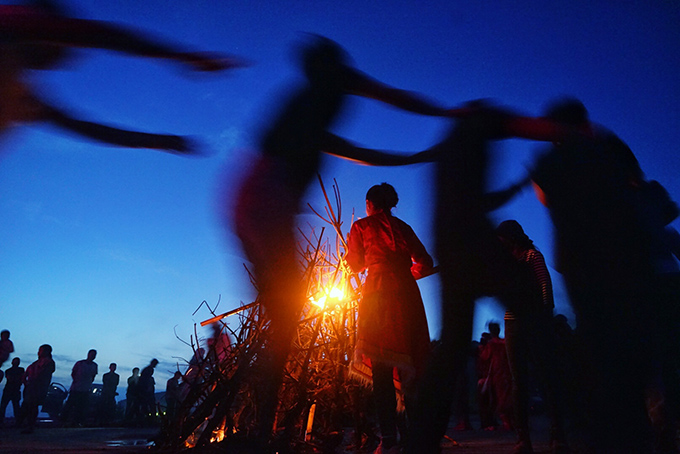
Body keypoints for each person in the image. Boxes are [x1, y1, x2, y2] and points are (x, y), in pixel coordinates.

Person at [227, 34, 454, 449]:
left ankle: (259, 431)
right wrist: (429, 138)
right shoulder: (313, 107)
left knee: (285, 319)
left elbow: (352, 260)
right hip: (269, 202)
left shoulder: (306, 111)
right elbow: (376, 117)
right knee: (287, 318)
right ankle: (258, 431)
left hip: (253, 196)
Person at [530, 98, 657, 453]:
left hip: (580, 260)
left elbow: (544, 197)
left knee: (597, 343)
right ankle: (637, 427)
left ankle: (607, 429)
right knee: (630, 340)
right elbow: (637, 182)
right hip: (626, 256)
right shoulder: (609, 146)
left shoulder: (551, 159)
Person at [0, 1, 245, 153]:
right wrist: (181, 56)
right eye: (63, 48)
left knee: (17, 100)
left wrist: (157, 142)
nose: (66, 59)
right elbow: (97, 35)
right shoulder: (11, 21)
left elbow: (82, 127)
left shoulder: (22, 93)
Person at [343, 182, 434, 453]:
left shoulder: (361, 226)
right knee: (410, 364)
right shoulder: (404, 228)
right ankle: (415, 437)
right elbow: (425, 261)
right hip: (407, 294)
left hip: (379, 294)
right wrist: (409, 274)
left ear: (370, 204)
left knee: (382, 366)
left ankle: (388, 439)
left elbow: (356, 263)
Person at [496, 220, 569, 454]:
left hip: (535, 320)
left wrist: (546, 313)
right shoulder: (506, 263)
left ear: (511, 237)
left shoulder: (531, 256)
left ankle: (557, 435)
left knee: (546, 377)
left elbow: (544, 284)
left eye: (503, 239)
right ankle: (523, 439)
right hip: (513, 322)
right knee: (519, 382)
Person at [19, 344, 55, 433]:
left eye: (41, 350)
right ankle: (24, 423)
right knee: (27, 406)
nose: (38, 352)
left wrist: (33, 381)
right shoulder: (35, 363)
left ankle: (30, 426)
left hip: (38, 388)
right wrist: (26, 382)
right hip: (31, 387)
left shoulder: (49, 362)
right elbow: (26, 373)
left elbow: (42, 375)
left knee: (33, 406)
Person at [62, 349, 98, 427]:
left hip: (85, 389)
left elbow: (93, 376)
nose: (92, 356)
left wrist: (88, 384)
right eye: (91, 354)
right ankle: (63, 420)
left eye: (94, 355)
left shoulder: (94, 365)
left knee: (81, 406)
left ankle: (77, 421)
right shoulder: (80, 363)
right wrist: (76, 381)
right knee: (70, 405)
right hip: (76, 388)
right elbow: (73, 373)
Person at [0, 357, 24, 427]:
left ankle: (18, 422)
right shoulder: (9, 371)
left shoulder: (18, 370)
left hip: (13, 390)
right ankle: (2, 421)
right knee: (5, 406)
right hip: (9, 390)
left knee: (15, 406)